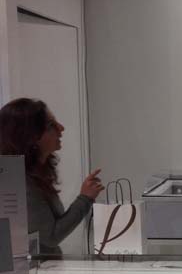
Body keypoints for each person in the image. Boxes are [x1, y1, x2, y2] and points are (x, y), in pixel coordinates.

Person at [0, 98, 104, 253]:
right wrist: (85, 198)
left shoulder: (35, 176)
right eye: (51, 125)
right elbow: (51, 237)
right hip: (34, 267)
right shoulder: (20, 184)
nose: (61, 128)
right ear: (30, 136)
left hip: (44, 266)